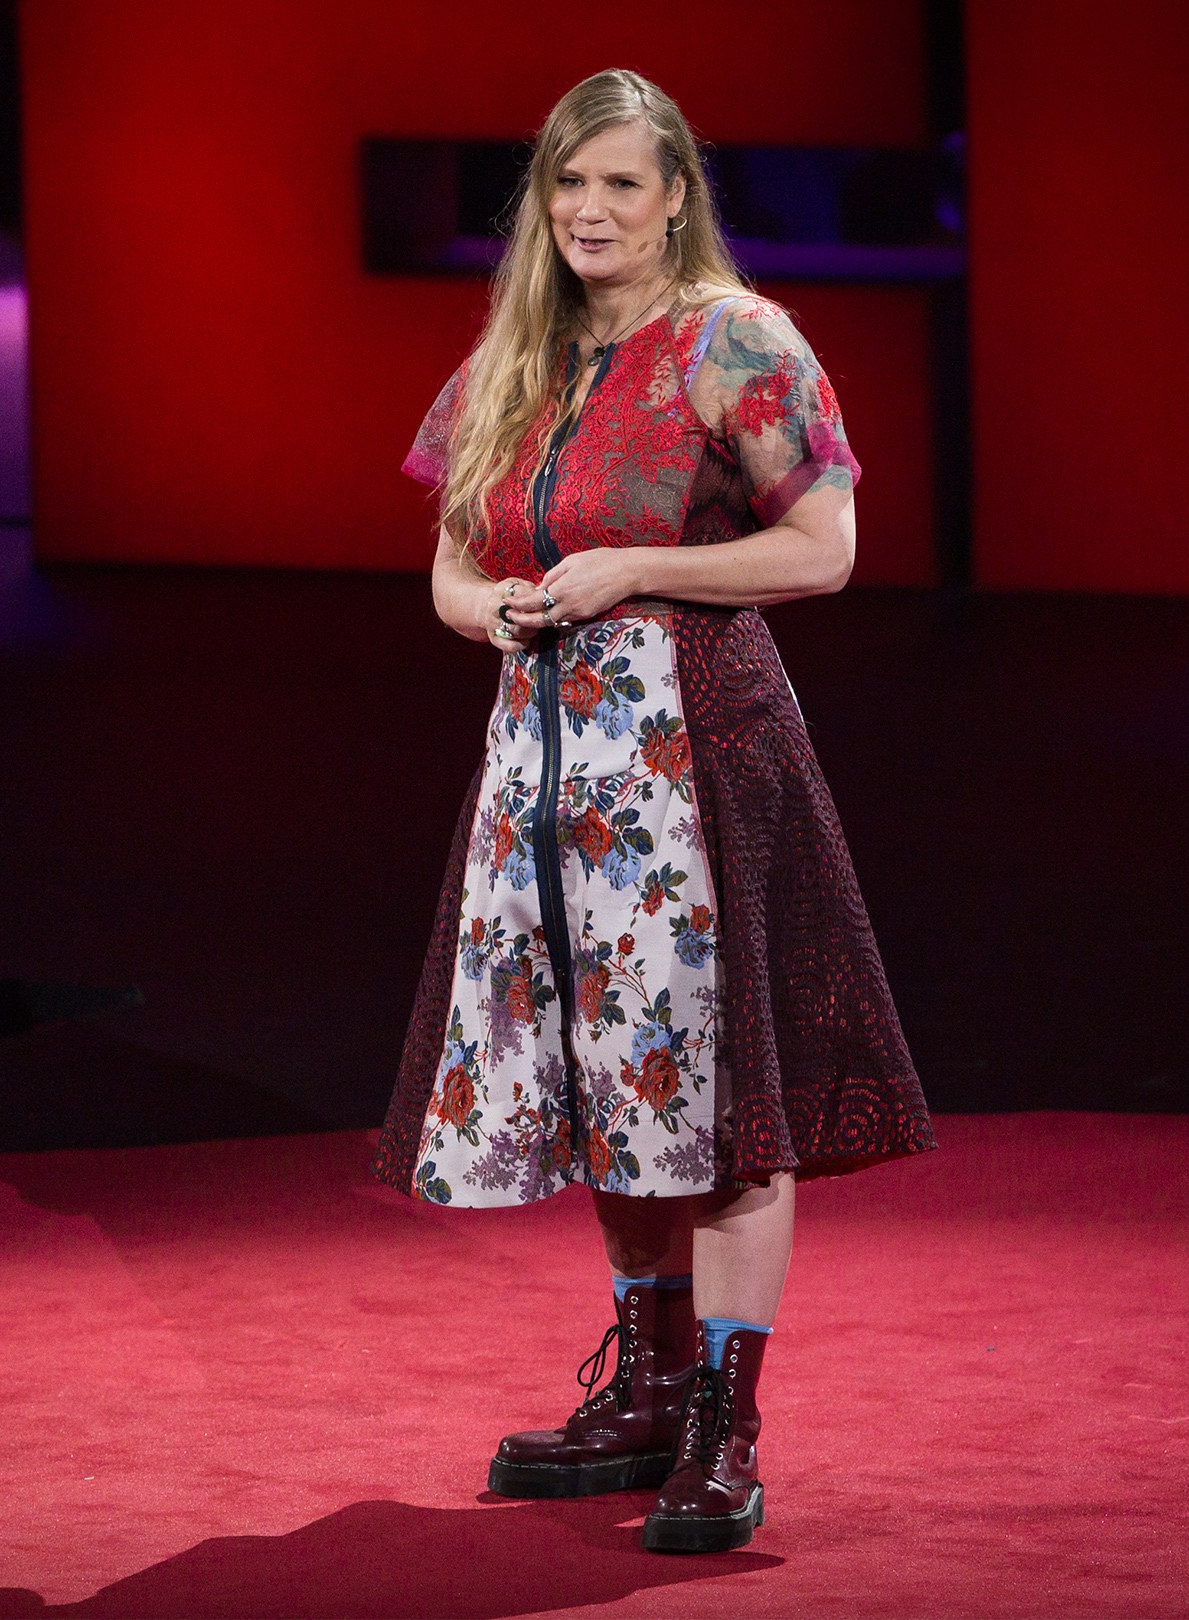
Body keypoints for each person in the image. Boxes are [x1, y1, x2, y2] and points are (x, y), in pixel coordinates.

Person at [371, 68, 937, 1555]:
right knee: (607, 1086)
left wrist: (638, 568)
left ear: (678, 193)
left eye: (624, 183)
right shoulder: (520, 354)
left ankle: (725, 1429)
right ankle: (649, 1379)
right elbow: (443, 563)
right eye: (569, 185)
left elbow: (824, 550)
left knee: (724, 1094)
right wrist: (484, 603)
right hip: (548, 775)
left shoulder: (736, 340)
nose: (592, 212)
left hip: (695, 758)